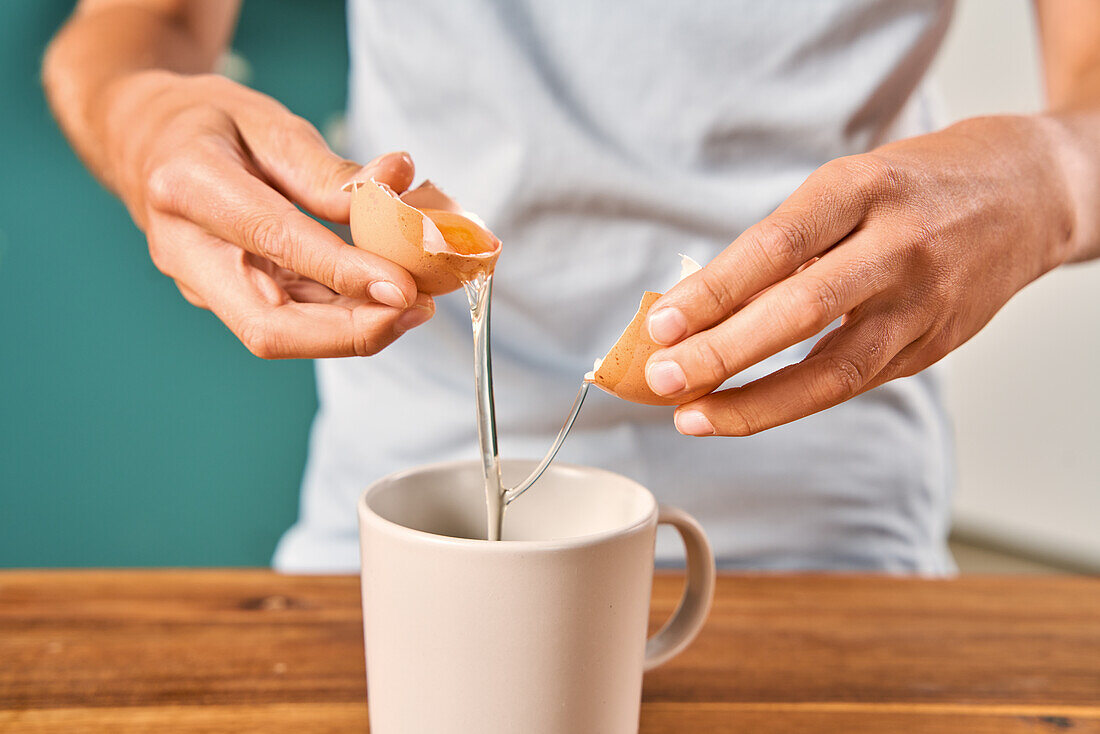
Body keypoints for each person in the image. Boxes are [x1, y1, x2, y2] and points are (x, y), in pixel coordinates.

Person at [43, 1, 1100, 573]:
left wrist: (1053, 175)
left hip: (824, 529)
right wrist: (144, 120)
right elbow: (136, 27)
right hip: (402, 526)